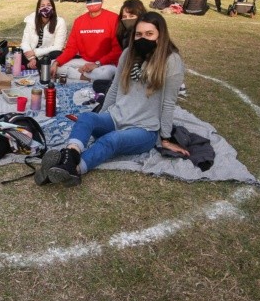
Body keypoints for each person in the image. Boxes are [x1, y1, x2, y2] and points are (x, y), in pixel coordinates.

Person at [38, 11, 187, 187]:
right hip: (117, 117)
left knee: (111, 140)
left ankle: (73, 169)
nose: (143, 38)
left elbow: (169, 102)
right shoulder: (128, 54)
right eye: (138, 34)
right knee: (86, 118)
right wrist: (99, 118)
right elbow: (114, 88)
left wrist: (166, 138)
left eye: (149, 34)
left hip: (144, 130)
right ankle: (69, 156)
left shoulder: (171, 61)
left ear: (160, 35)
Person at [51, 0, 121, 81]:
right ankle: (84, 77)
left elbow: (117, 51)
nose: (92, 0)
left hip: (105, 63)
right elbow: (71, 48)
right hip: (84, 61)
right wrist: (57, 62)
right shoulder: (79, 21)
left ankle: (79, 75)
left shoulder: (114, 19)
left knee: (105, 74)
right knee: (53, 65)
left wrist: (97, 64)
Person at [20, 0, 68, 69]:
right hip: (29, 55)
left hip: (46, 55)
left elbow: (58, 47)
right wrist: (32, 58)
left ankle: (29, 66)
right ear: (39, 9)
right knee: (11, 52)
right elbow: (25, 42)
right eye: (43, 5)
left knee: (57, 54)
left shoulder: (60, 22)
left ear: (53, 8)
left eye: (49, 5)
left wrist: (35, 52)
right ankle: (32, 65)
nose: (46, 8)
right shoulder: (31, 19)